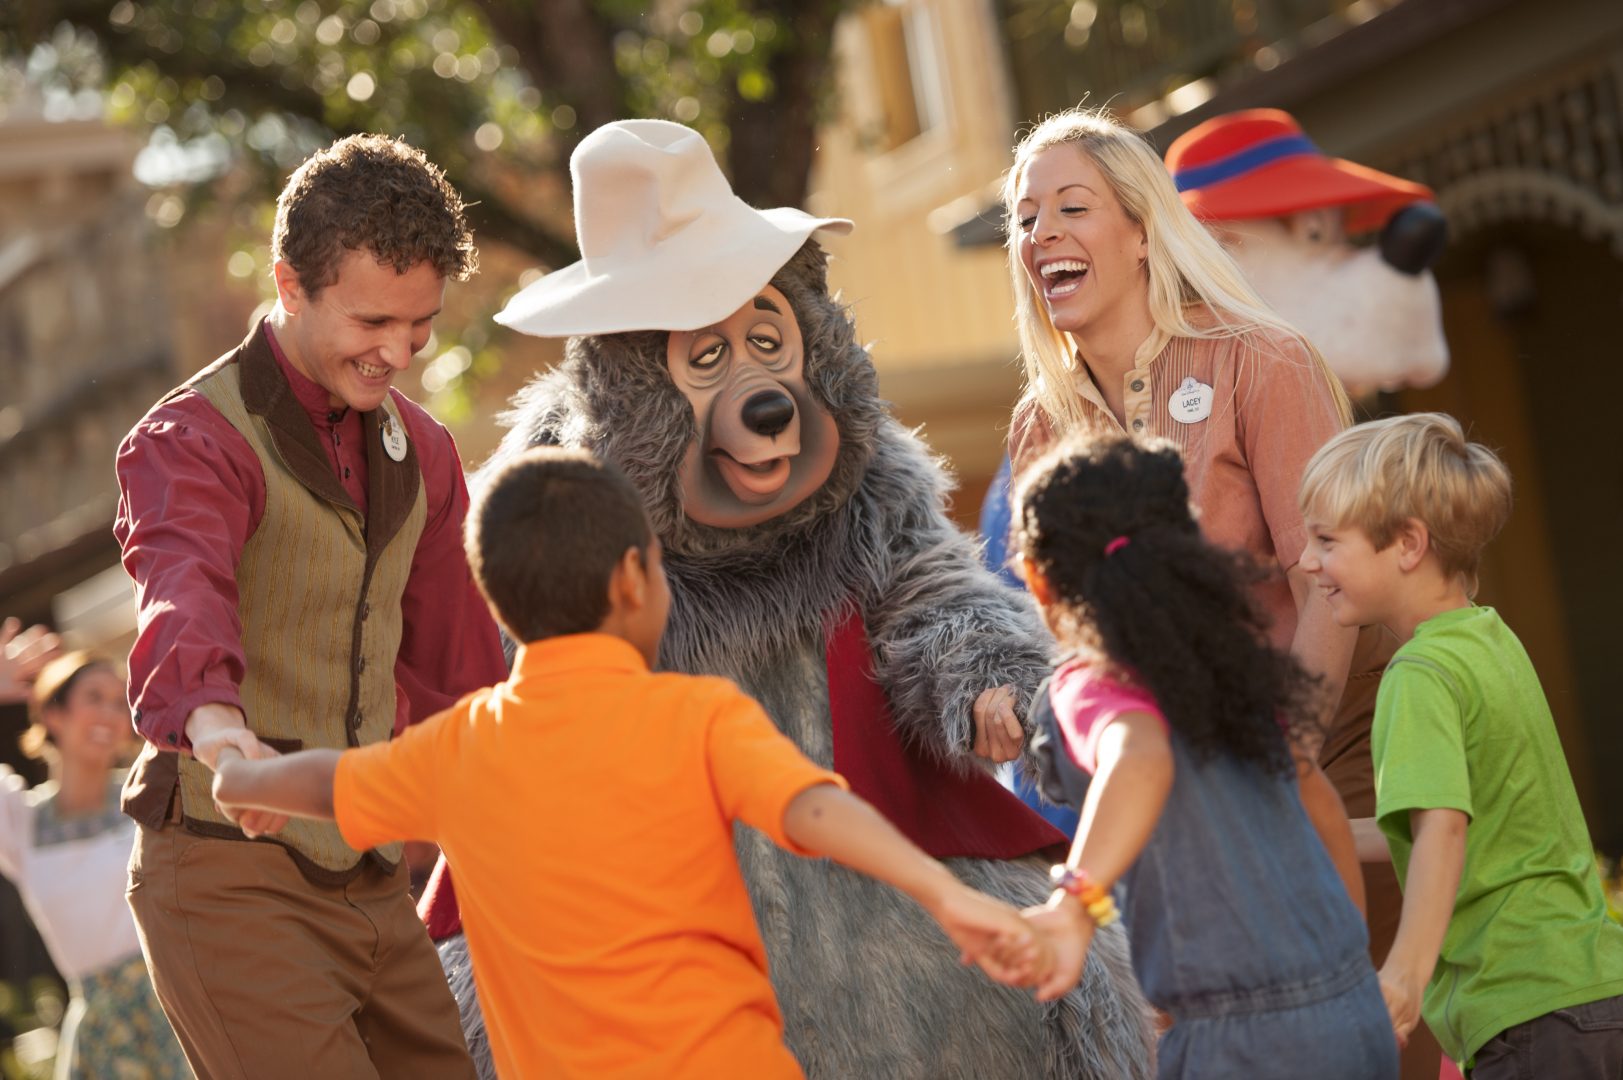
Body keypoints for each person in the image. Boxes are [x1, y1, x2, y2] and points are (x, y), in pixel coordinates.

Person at [211, 446, 1046, 1079]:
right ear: (630, 580)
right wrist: (942, 892)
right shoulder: (698, 714)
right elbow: (814, 812)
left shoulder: (459, 747)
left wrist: (250, 781)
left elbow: (333, 780)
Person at [113, 134, 507, 1078]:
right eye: (372, 321)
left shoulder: (429, 454)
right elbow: (181, 594)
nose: (398, 354)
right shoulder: (193, 440)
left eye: (420, 328)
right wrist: (220, 733)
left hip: (371, 880)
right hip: (225, 869)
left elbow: (459, 674)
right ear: (290, 286)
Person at [1000, 106, 1365, 913]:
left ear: (1140, 232)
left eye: (1071, 207)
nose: (1042, 233)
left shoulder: (1261, 361)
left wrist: (1286, 762)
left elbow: (1329, 584)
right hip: (1165, 793)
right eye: (1025, 219)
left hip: (1323, 759)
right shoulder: (1039, 427)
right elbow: (1067, 631)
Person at [1010, 435, 1397, 1079]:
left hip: (1240, 1040)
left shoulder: (1090, 686)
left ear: (1038, 581)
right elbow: (1320, 808)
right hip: (1348, 1009)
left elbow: (1140, 755)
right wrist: (1341, 968)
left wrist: (1074, 905)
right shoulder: (1232, 674)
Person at [1298, 412, 1623, 1077]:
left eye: (1326, 540)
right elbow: (1443, 824)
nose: (1306, 562)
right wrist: (1303, 827)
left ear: (1408, 544)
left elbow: (1442, 830)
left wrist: (1402, 979)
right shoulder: (1488, 638)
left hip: (1525, 1013)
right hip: (1590, 989)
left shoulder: (1417, 675)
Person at [0, 651, 190, 1080]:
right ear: (53, 714)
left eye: (120, 702)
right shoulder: (19, 823)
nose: (110, 713)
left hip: (182, 1004)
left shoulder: (153, 795)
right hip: (104, 1034)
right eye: (94, 697)